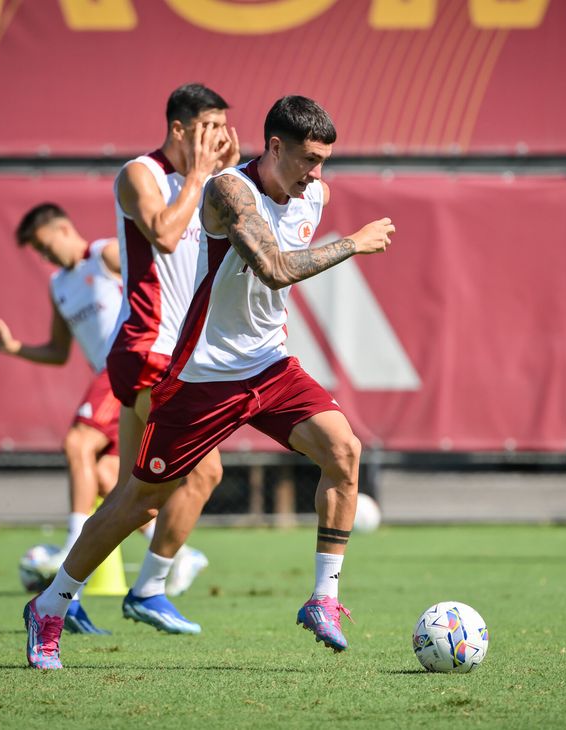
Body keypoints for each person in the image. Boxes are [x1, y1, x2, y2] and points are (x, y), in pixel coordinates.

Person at [23, 95, 395, 669]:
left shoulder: (313, 194)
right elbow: (272, 268)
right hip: (204, 375)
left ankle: (323, 599)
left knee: (344, 450)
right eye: (309, 159)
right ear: (274, 147)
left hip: (271, 367)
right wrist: (354, 243)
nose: (318, 174)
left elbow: (271, 277)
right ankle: (50, 606)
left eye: (325, 160)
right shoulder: (227, 191)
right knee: (140, 502)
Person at [99, 82, 238, 635]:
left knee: (136, 497)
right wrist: (203, 176)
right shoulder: (141, 174)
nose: (219, 139)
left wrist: (222, 175)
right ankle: (151, 589)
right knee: (205, 469)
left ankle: (60, 597)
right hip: (147, 347)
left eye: (225, 128)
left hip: (180, 354)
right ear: (180, 129)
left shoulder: (207, 182)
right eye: (210, 128)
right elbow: (163, 233)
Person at [0, 203, 124, 635]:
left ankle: (69, 559)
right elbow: (60, 352)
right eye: (39, 252)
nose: (47, 256)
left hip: (127, 366)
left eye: (47, 246)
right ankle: (172, 552)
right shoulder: (58, 285)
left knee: (77, 444)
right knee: (104, 477)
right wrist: (14, 348)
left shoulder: (107, 255)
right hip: (111, 381)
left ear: (64, 228)